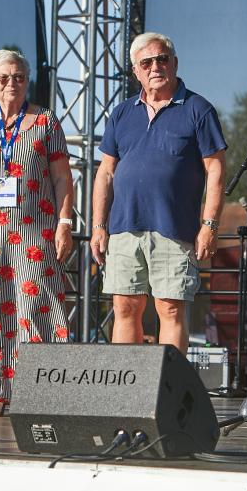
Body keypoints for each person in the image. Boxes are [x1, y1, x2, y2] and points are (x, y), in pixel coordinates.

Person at [0, 49, 73, 416]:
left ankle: (39, 391)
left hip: (36, 231)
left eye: (19, 77)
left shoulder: (45, 121)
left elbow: (62, 178)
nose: (11, 84)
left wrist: (65, 223)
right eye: (3, 78)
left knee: (37, 305)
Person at [90, 32, 227, 355]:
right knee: (124, 307)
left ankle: (169, 383)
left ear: (175, 63)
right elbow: (105, 172)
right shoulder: (122, 113)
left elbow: (217, 169)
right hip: (124, 228)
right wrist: (98, 226)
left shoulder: (198, 109)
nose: (155, 67)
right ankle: (127, 383)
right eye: (146, 62)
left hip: (174, 228)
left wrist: (209, 225)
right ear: (135, 71)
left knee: (170, 308)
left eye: (162, 59)